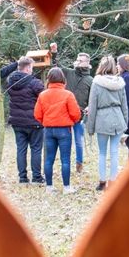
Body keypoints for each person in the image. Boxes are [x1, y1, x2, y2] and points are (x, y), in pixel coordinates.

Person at [34, 67, 82, 193]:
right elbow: (76, 113)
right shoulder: (68, 94)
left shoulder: (43, 95)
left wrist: (46, 122)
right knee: (65, 160)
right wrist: (72, 121)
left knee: (49, 159)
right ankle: (66, 187)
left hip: (48, 130)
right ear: (62, 78)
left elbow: (37, 114)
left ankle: (49, 187)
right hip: (64, 130)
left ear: (49, 79)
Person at [86, 56, 129, 191]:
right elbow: (124, 106)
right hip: (117, 118)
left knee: (102, 152)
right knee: (114, 151)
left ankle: (102, 181)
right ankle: (113, 181)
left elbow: (92, 106)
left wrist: (90, 128)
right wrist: (125, 123)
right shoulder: (120, 83)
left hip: (102, 119)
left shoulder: (96, 83)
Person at [49, 43, 92, 173]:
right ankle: (65, 164)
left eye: (81, 60)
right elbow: (55, 67)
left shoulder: (90, 80)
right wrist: (54, 52)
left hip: (80, 116)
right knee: (65, 142)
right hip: (65, 114)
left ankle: (79, 164)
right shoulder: (69, 73)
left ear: (87, 63)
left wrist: (89, 106)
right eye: (77, 60)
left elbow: (93, 98)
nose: (77, 62)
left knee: (78, 141)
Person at [6, 56, 45, 184]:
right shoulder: (34, 83)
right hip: (34, 121)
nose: (32, 70)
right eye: (31, 68)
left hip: (17, 121)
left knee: (21, 149)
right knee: (36, 149)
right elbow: (44, 96)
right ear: (27, 68)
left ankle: (22, 177)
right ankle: (37, 177)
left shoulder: (11, 81)